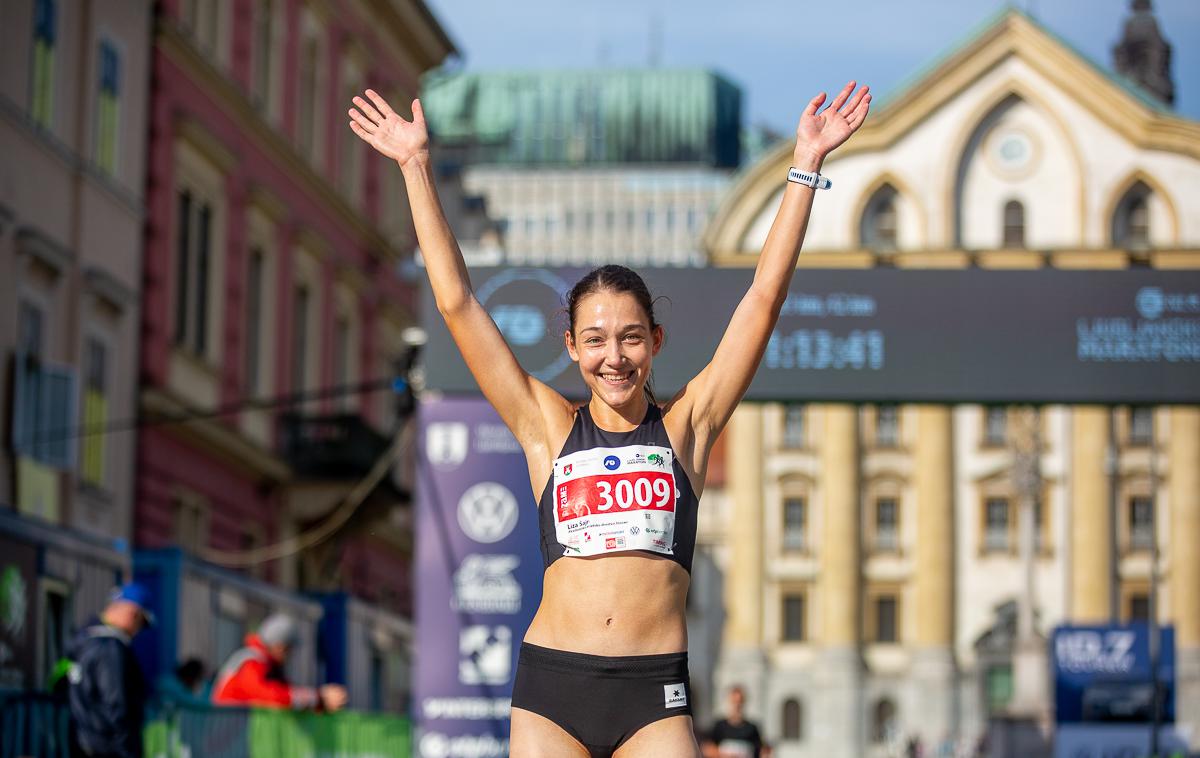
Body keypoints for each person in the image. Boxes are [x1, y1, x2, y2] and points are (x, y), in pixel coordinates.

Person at [349, 78, 870, 757]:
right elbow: (457, 305)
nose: (613, 357)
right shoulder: (547, 427)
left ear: (655, 342)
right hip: (552, 689)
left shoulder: (689, 425)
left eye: (630, 338)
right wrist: (416, 165)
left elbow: (763, 300)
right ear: (571, 347)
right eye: (594, 340)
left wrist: (805, 165)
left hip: (654, 694)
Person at [66, 582, 155, 758]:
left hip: (82, 743)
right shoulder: (111, 649)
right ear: (133, 614)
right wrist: (127, 751)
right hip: (108, 748)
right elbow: (116, 704)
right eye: (141, 622)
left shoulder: (84, 643)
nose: (138, 631)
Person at [211, 613, 347, 711]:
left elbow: (286, 691)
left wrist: (317, 701)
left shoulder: (267, 664)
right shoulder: (251, 661)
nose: (290, 656)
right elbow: (269, 696)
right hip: (223, 737)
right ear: (280, 647)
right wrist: (318, 698)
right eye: (289, 650)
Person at [703, 686, 771, 758]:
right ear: (729, 701)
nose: (737, 705)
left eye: (740, 701)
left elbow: (761, 751)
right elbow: (707, 749)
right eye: (734, 702)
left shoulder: (752, 728)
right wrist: (727, 755)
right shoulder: (719, 726)